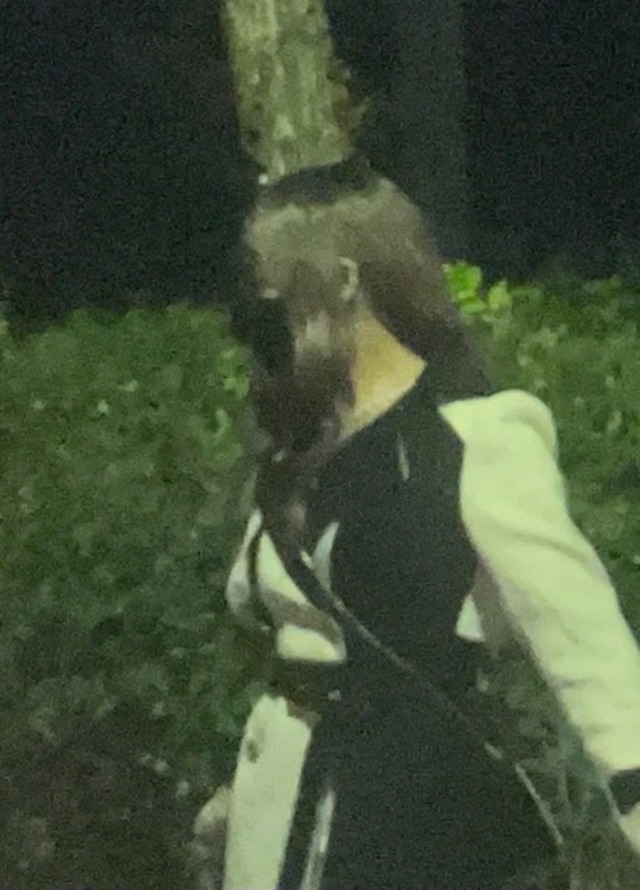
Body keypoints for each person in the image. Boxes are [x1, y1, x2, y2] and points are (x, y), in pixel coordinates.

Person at [214, 156, 640, 890]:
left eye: (274, 281)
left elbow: (590, 655)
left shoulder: (475, 443)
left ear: (344, 279)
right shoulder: (299, 450)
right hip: (281, 821)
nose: (258, 308)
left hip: (413, 827)